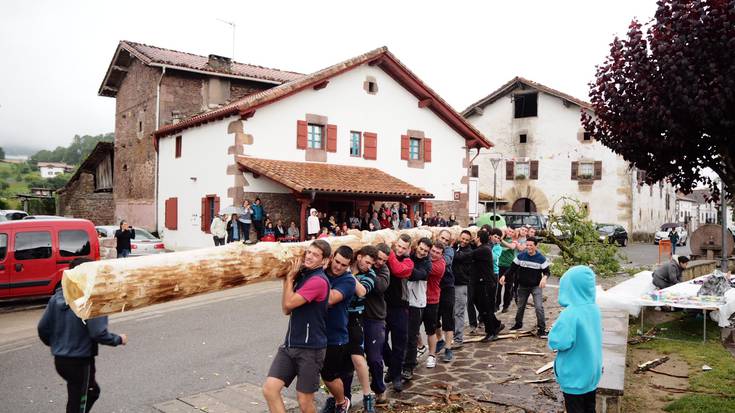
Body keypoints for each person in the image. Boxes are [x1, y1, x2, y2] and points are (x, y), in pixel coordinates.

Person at [38, 257, 128, 413]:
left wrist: (58, 345)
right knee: (79, 402)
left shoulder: (58, 297)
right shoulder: (92, 299)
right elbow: (98, 333)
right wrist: (118, 339)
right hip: (80, 361)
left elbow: (42, 328)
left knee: (89, 392)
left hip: (61, 361)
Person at [263, 240, 331, 413]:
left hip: (310, 349)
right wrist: (290, 278)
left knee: (304, 401)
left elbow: (288, 303)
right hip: (290, 344)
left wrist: (289, 278)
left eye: (316, 255)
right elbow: (286, 309)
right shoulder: (304, 275)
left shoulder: (318, 281)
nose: (309, 257)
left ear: (324, 261)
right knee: (270, 389)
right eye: (309, 252)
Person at [548, 266, 603, 413]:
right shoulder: (594, 308)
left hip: (574, 375)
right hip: (591, 372)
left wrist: (554, 329)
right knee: (590, 407)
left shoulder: (570, 314)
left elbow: (558, 342)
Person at [341, 246, 378, 412]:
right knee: (341, 361)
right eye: (367, 262)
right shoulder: (343, 267)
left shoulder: (370, 275)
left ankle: (367, 395)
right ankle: (343, 399)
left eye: (371, 263)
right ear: (359, 257)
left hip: (355, 318)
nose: (369, 265)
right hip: (338, 318)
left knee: (357, 357)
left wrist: (348, 274)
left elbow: (362, 291)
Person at [320, 246, 356, 413]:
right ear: (332, 257)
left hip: (336, 337)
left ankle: (342, 402)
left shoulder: (348, 280)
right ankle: (334, 400)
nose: (338, 267)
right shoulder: (324, 271)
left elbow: (330, 299)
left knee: (329, 375)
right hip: (316, 333)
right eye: (337, 262)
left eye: (343, 265)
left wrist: (317, 277)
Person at [383, 234, 415, 392]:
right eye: (398, 246)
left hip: (400, 307)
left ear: (409, 249)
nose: (400, 250)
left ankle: (396, 376)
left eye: (404, 247)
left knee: (399, 344)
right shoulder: (386, 256)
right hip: (382, 307)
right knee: (380, 341)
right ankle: (392, 366)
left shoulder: (408, 262)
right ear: (395, 244)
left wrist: (389, 251)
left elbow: (397, 269)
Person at [501, 237, 550, 337]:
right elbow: (512, 269)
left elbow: (547, 272)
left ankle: (542, 329)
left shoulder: (541, 259)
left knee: (538, 307)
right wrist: (504, 276)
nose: (528, 247)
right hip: (523, 286)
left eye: (531, 245)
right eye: (527, 245)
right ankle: (518, 324)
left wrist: (544, 278)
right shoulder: (521, 256)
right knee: (520, 307)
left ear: (536, 246)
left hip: (536, 286)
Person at [362, 243, 391, 405]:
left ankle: (379, 388)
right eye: (377, 258)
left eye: (383, 260)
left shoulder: (383, 270)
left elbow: (380, 287)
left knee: (374, 358)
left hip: (375, 319)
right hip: (356, 318)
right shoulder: (363, 263)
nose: (379, 262)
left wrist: (370, 270)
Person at [402, 237, 433, 381]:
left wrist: (406, 266)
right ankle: (400, 363)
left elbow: (416, 275)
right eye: (421, 249)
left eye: (426, 251)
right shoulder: (408, 256)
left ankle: (409, 366)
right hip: (403, 301)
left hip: (417, 303)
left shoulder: (427, 264)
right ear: (417, 247)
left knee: (412, 336)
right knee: (401, 334)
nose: (422, 253)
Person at [470, 229, 504, 342]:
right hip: (481, 282)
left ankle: (491, 332)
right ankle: (496, 324)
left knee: (486, 308)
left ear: (479, 238)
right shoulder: (483, 247)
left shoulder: (484, 249)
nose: (473, 238)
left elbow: (466, 257)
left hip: (487, 282)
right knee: (481, 306)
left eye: (475, 236)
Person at [423, 242, 447, 368]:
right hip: (418, 299)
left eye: (437, 253)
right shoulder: (426, 258)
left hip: (431, 300)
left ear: (442, 255)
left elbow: (424, 268)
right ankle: (421, 347)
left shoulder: (439, 265)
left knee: (430, 330)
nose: (434, 254)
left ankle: (431, 356)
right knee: (413, 329)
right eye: (432, 251)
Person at [434, 230, 456, 362]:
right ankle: (439, 340)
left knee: (448, 318)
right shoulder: (432, 248)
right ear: (437, 237)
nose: (443, 241)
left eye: (446, 240)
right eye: (442, 238)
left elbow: (446, 261)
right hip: (434, 288)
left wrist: (433, 257)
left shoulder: (449, 251)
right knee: (434, 318)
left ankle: (448, 348)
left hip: (447, 287)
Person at [452, 230, 473, 347]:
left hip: (461, 285)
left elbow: (457, 256)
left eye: (466, 239)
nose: (464, 241)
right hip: (451, 284)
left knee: (459, 313)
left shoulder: (469, 252)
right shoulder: (457, 247)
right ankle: (453, 336)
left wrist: (451, 247)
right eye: (463, 238)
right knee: (451, 313)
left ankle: (458, 339)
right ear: (459, 237)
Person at [496, 227, 519, 312]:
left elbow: (511, 247)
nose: (510, 233)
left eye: (512, 232)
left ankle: (506, 306)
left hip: (510, 267)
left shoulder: (514, 241)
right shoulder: (500, 240)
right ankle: (496, 305)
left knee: (508, 287)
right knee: (498, 287)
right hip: (500, 266)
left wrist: (501, 240)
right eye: (509, 231)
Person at [489, 227, 504, 311]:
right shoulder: (487, 244)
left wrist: (488, 248)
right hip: (486, 272)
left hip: (494, 272)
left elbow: (493, 257)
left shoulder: (498, 247)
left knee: (492, 294)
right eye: (495, 236)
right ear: (490, 236)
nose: (497, 239)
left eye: (498, 238)